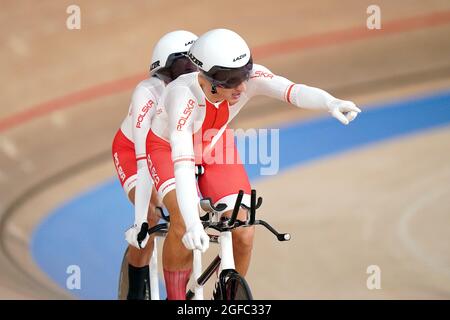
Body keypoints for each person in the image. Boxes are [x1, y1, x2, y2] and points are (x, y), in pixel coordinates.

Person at [146, 28, 361, 299]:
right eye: (233, 80)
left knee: (244, 229)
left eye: (245, 74)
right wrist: (191, 223)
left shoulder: (244, 79)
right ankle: (175, 298)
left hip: (213, 144)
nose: (243, 87)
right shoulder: (182, 97)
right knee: (180, 219)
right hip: (169, 151)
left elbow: (291, 90)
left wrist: (330, 102)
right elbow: (183, 165)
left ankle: (229, 296)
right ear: (208, 78)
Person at [111, 30, 198, 299]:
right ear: (163, 69)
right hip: (133, 152)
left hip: (168, 151)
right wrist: (139, 222)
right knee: (152, 216)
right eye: (183, 66)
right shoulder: (146, 93)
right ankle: (136, 290)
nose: (190, 73)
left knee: (188, 214)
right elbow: (142, 160)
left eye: (194, 65)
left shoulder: (197, 88)